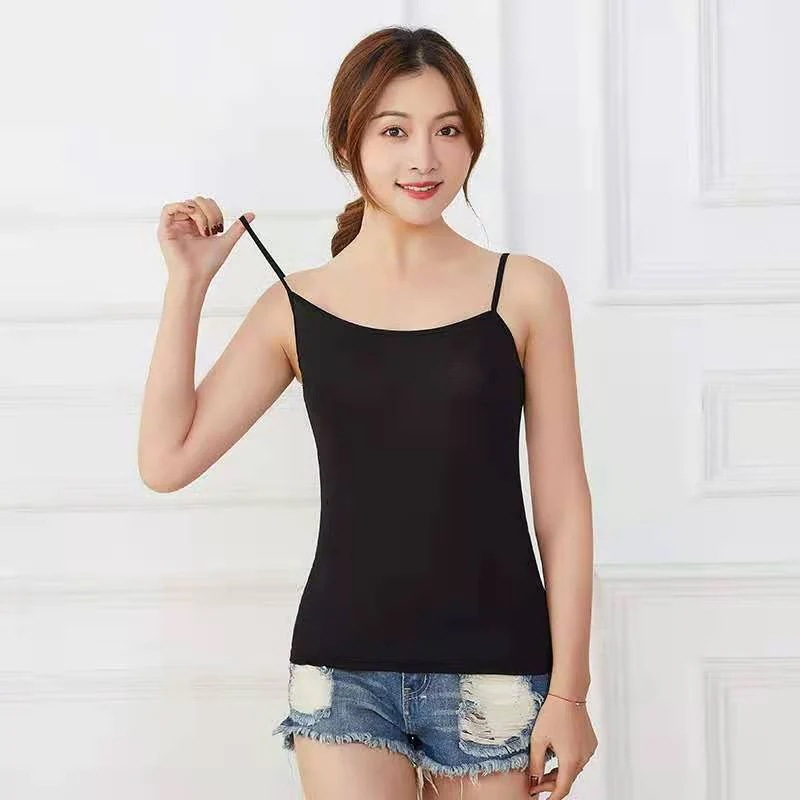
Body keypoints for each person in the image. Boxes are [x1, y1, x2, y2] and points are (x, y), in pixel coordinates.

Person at [138, 25, 597, 800]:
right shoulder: (295, 305)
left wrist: (571, 694)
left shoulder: (523, 291)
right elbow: (166, 461)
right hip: (341, 673)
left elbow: (562, 505)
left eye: (447, 130)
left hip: (498, 671)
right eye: (394, 131)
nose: (424, 158)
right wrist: (187, 286)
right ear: (347, 141)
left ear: (472, 141)